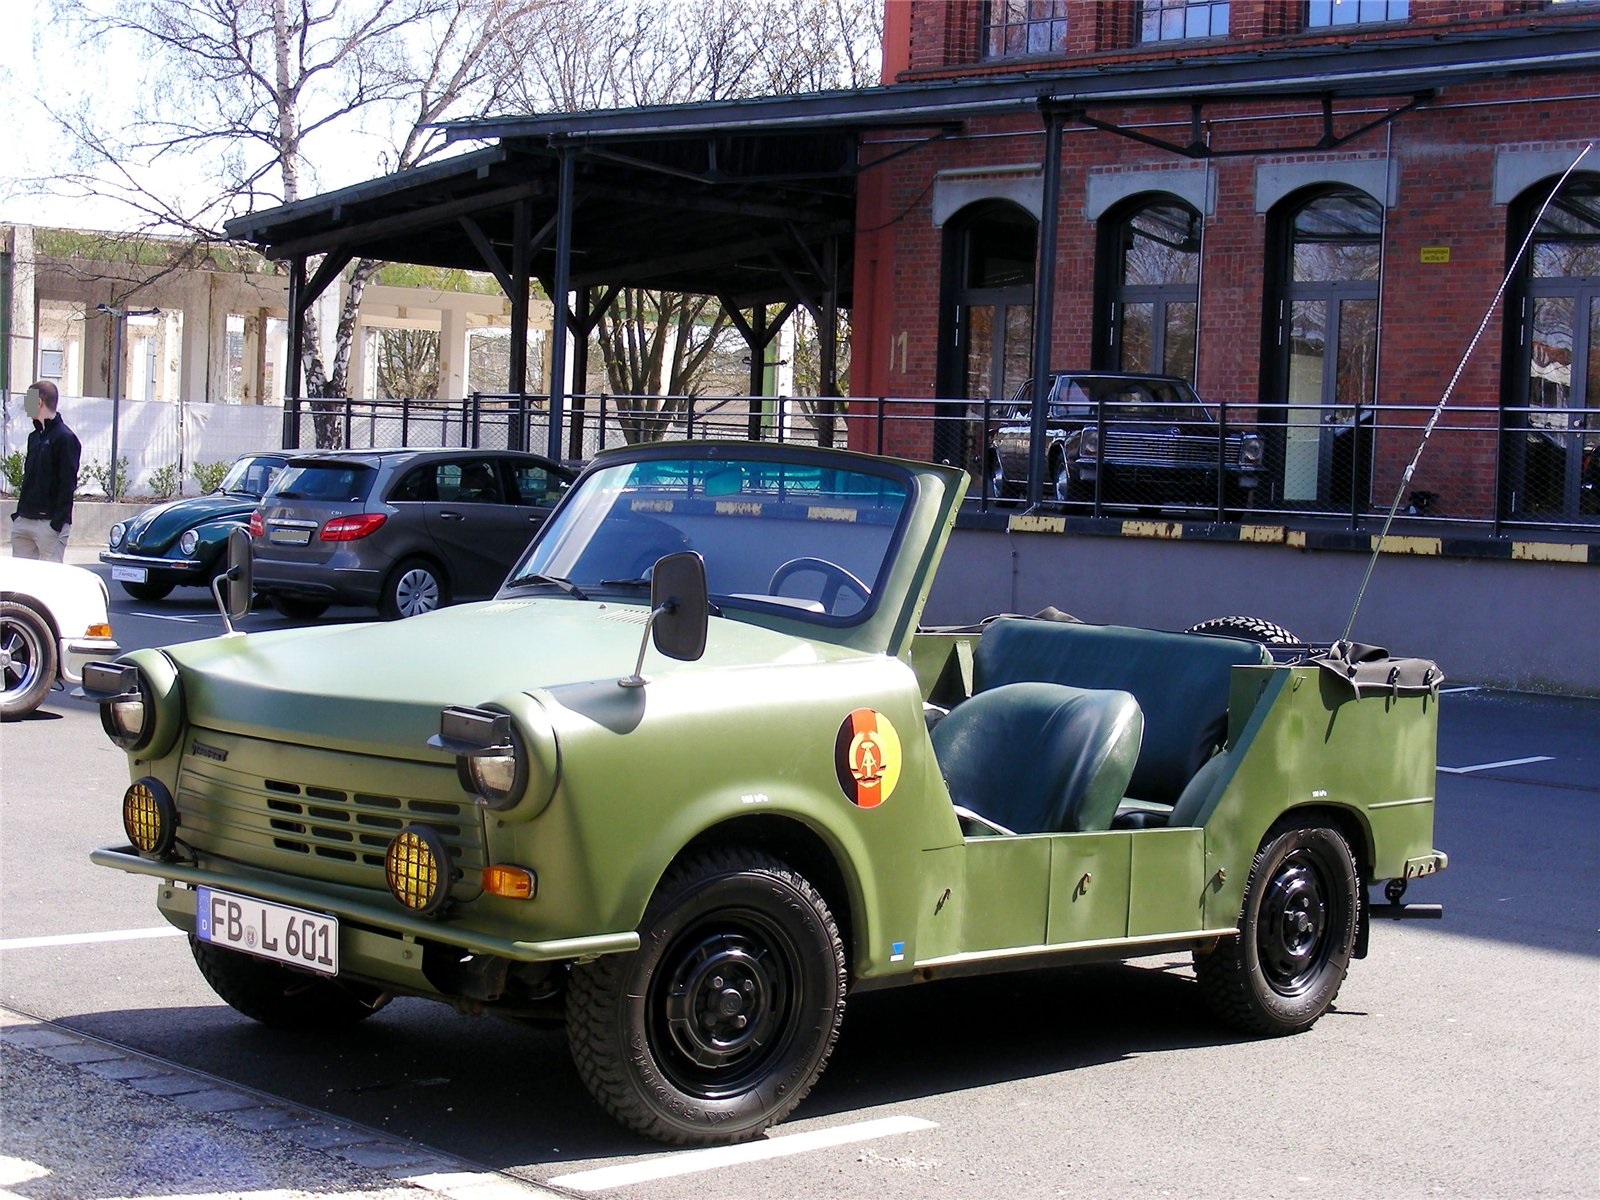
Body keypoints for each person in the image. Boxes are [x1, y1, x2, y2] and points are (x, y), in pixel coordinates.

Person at [10, 381, 82, 562]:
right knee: (20, 584)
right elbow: (29, 479)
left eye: (28, 400)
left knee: (49, 581)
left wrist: (57, 523)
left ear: (39, 402)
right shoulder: (34, 437)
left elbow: (67, 484)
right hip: (25, 520)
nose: (25, 405)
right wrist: (18, 515)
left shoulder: (65, 438)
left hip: (49, 524)